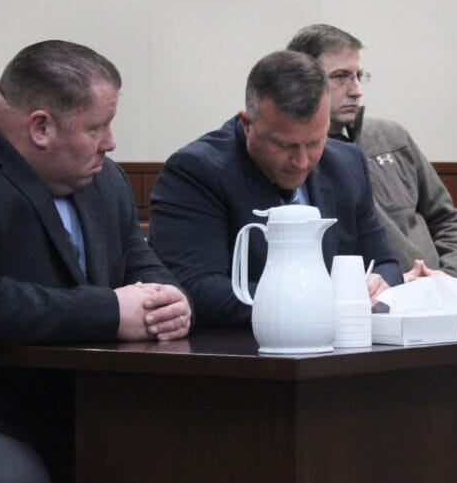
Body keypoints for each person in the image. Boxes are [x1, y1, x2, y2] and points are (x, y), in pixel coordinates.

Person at [0, 40, 191, 482]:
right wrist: (110, 312)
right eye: (98, 127)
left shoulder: (101, 177)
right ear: (41, 128)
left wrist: (168, 301)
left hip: (89, 402)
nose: (111, 143)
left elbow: (140, 262)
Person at [149, 50, 403, 327]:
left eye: (316, 142)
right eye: (285, 145)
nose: (302, 161)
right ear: (247, 125)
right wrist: (319, 302)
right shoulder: (196, 171)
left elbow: (385, 264)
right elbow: (198, 290)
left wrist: (378, 285)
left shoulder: (347, 163)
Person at [286, 24, 457, 291]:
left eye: (359, 76)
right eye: (341, 77)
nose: (357, 90)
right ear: (304, 81)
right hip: (369, 306)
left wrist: (450, 278)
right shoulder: (295, 160)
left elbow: (446, 218)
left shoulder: (392, 137)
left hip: (436, 297)